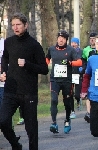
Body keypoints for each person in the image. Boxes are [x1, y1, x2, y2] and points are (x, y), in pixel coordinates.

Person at [0, 12, 49, 150]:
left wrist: (27, 64)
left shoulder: (34, 45)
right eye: (13, 25)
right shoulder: (8, 42)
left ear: (26, 25)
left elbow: (44, 69)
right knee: (3, 121)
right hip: (11, 89)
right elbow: (5, 58)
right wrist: (3, 71)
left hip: (28, 93)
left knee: (31, 129)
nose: (15, 28)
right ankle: (16, 145)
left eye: (18, 25)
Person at [46, 30, 82, 134]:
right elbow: (47, 59)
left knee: (67, 102)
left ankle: (67, 120)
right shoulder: (52, 49)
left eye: (63, 38)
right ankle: (54, 123)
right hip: (55, 79)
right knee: (53, 100)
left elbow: (79, 62)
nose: (61, 39)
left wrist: (70, 62)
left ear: (66, 40)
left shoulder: (71, 50)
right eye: (59, 37)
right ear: (57, 38)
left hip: (67, 81)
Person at [82, 32, 97, 123]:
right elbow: (83, 60)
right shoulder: (86, 49)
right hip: (89, 73)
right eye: (91, 38)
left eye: (94, 38)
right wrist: (83, 69)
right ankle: (89, 112)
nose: (92, 40)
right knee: (88, 92)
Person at [70, 37, 83, 119]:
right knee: (70, 93)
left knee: (77, 94)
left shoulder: (81, 52)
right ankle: (72, 111)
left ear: (78, 44)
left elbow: (83, 61)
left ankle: (78, 100)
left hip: (78, 75)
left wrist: (82, 68)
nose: (73, 44)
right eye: (72, 43)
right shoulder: (69, 51)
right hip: (70, 75)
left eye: (75, 43)